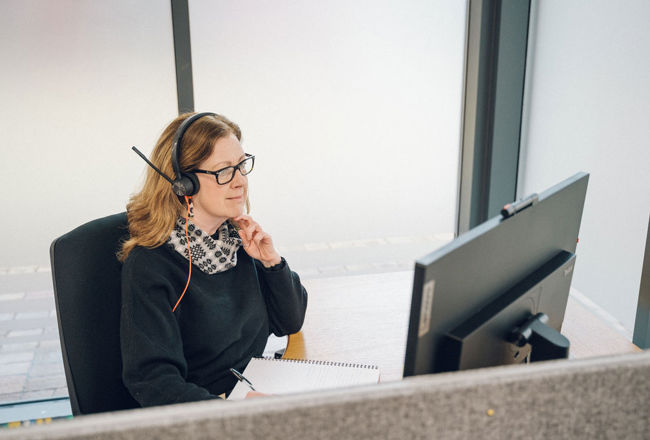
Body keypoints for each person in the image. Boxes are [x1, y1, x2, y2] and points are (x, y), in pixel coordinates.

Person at [118, 112, 308, 407]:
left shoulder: (235, 239)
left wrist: (272, 262)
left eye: (241, 166)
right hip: (209, 413)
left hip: (256, 388)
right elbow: (154, 382)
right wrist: (229, 409)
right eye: (224, 171)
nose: (240, 182)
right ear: (184, 185)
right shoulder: (151, 265)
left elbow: (290, 321)